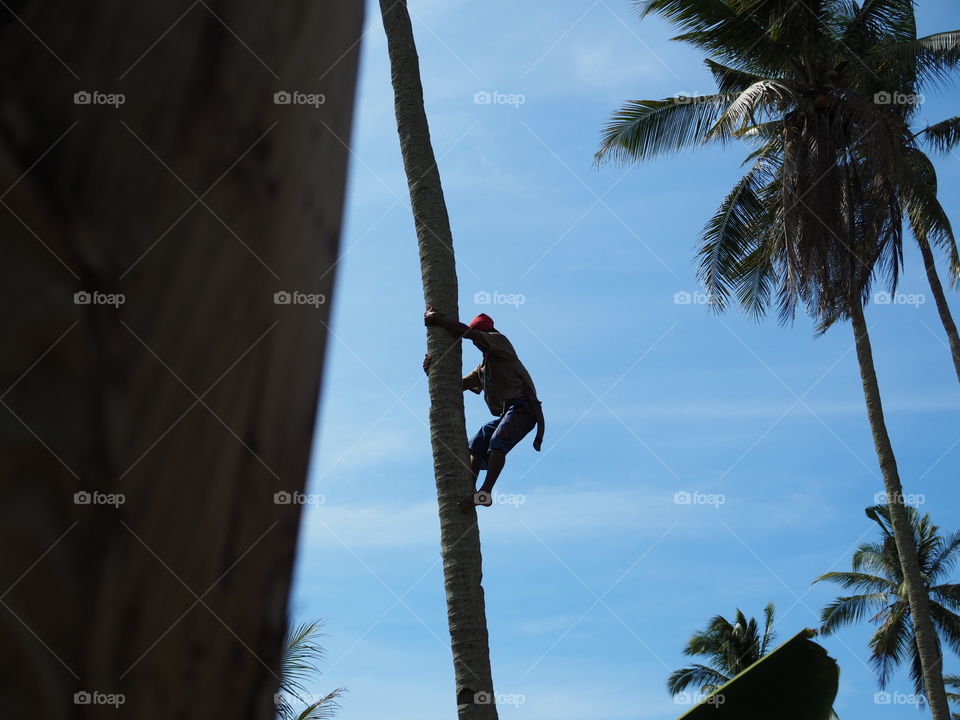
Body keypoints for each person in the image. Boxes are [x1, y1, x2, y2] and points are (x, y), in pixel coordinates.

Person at [422, 306, 544, 511]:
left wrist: (439, 320)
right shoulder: (484, 368)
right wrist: (432, 372)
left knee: (497, 442)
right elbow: (454, 386)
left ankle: (485, 492)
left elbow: (467, 333)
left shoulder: (500, 341)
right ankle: (471, 489)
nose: (477, 344)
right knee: (477, 444)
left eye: (479, 339)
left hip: (523, 408)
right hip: (508, 412)